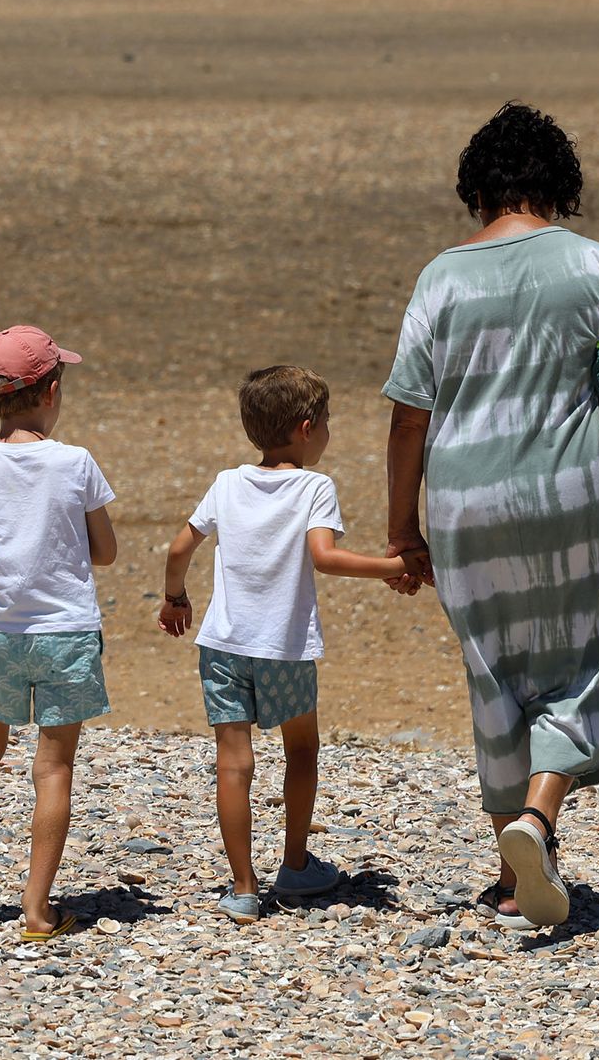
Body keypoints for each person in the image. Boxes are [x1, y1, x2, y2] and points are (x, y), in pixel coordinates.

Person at [381, 102, 599, 930]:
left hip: (464, 495)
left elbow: (410, 413)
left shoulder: (441, 275)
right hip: (573, 489)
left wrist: (403, 528)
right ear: (559, 187)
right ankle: (538, 819)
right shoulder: (598, 264)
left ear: (478, 190)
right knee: (586, 657)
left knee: (495, 669)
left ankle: (515, 880)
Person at [157, 365, 410, 924]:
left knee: (233, 762)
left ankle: (244, 887)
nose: (327, 433)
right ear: (304, 428)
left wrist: (175, 599)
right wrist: (393, 566)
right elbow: (325, 557)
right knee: (301, 751)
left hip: (222, 642)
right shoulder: (315, 487)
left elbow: (179, 548)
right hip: (283, 646)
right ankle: (294, 865)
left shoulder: (227, 483)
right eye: (326, 423)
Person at [0, 325, 118, 942]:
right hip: (65, 631)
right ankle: (37, 910)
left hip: (1, 633)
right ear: (52, 390)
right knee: (54, 767)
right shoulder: (76, 462)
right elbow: (106, 551)